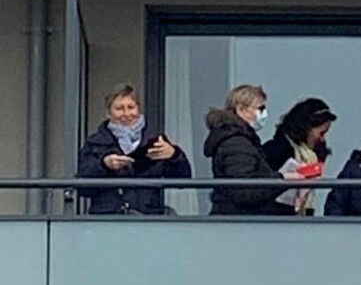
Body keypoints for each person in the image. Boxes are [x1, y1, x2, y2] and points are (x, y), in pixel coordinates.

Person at [77, 82, 192, 215]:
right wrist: (104, 165)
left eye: (131, 107)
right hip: (108, 219)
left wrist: (174, 155)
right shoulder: (95, 143)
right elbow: (82, 188)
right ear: (108, 113)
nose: (126, 113)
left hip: (148, 218)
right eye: (119, 108)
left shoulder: (155, 140)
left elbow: (182, 180)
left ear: (138, 109)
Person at [204, 83, 304, 216]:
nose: (264, 114)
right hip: (237, 221)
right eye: (260, 108)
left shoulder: (240, 139)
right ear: (241, 110)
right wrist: (283, 179)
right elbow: (244, 191)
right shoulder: (237, 143)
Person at [262, 97, 336, 216]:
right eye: (321, 133)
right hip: (275, 215)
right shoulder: (275, 151)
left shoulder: (315, 154)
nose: (322, 139)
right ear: (306, 129)